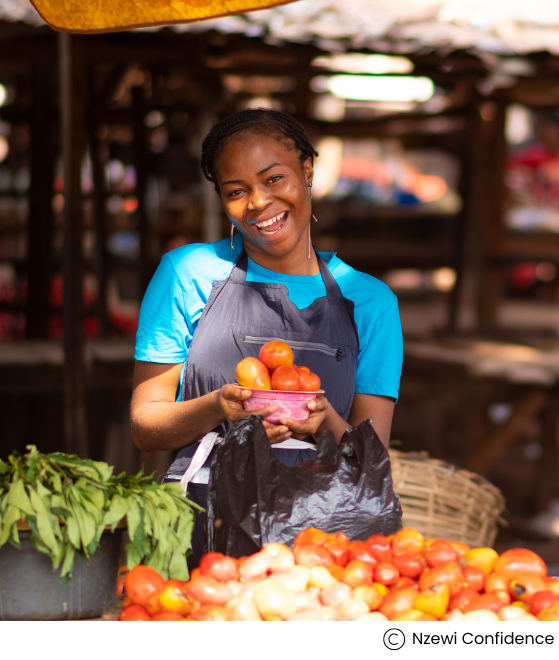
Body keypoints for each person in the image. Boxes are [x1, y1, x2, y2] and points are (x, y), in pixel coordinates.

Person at [130, 109, 402, 564]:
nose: (258, 202)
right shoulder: (188, 273)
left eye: (274, 179)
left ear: (307, 171)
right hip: (201, 525)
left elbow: (372, 456)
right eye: (236, 191)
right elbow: (145, 426)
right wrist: (219, 407)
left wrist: (323, 423)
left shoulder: (370, 302)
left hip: (321, 539)